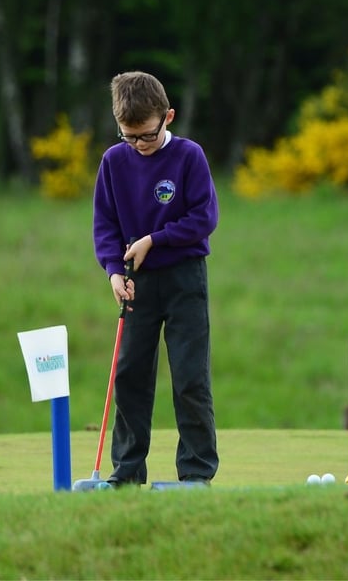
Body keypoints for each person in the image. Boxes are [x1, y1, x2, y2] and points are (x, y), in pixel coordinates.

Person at [92, 70, 220, 487]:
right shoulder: (114, 161)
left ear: (168, 117)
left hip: (185, 278)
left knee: (189, 377)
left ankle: (196, 473)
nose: (139, 146)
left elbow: (205, 217)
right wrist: (113, 270)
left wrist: (155, 239)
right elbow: (105, 225)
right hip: (136, 280)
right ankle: (127, 471)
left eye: (146, 136)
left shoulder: (188, 156)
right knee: (129, 374)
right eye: (128, 137)